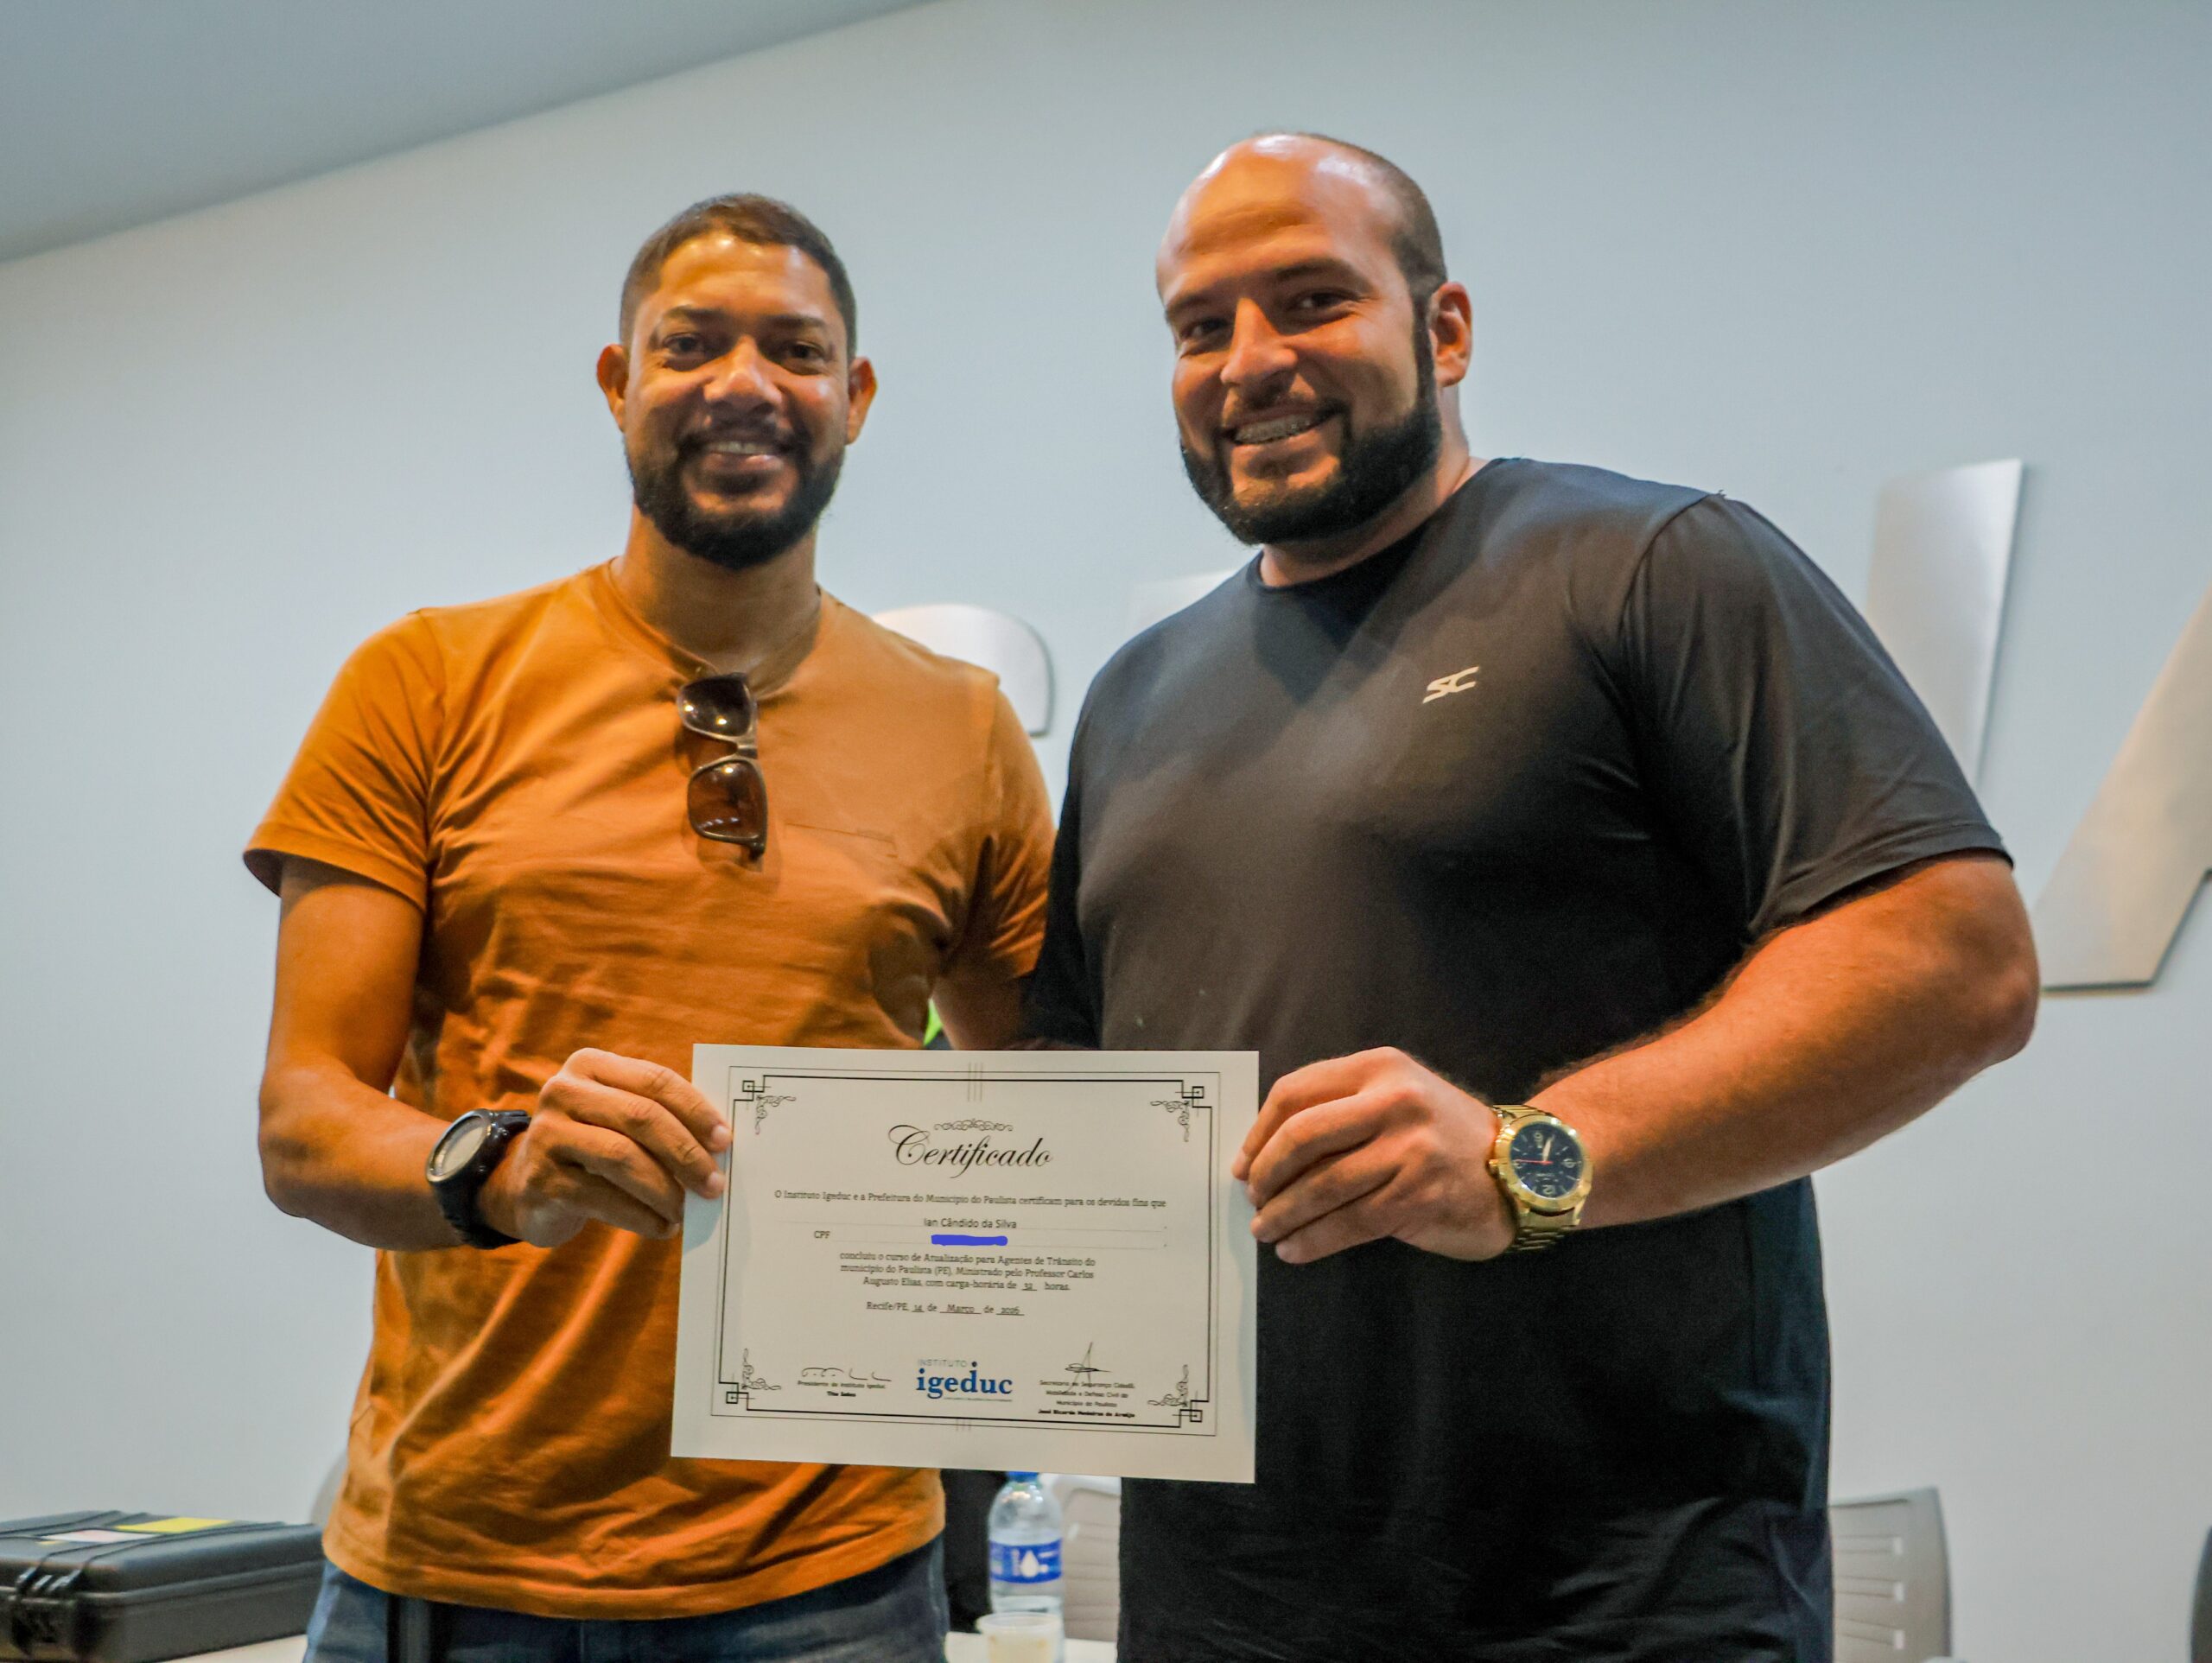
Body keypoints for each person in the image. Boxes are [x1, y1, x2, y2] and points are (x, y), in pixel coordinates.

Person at [1020, 134, 2040, 1661]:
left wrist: (1522, 1161)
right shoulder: (1133, 699)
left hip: (1616, 1598)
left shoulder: (1654, 566)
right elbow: (1073, 1094)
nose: (1250, 362)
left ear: (1445, 330)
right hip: (1221, 1604)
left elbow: (1957, 960)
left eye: (1311, 300)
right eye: (1199, 325)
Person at [249, 194, 1053, 1660]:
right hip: (456, 1578)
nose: (744, 383)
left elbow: (1047, 1113)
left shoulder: (967, 728)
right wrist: (500, 1166)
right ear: (619, 383)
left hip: (836, 1586)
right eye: (690, 345)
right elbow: (305, 1121)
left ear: (855, 397)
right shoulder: (421, 682)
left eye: (795, 349)